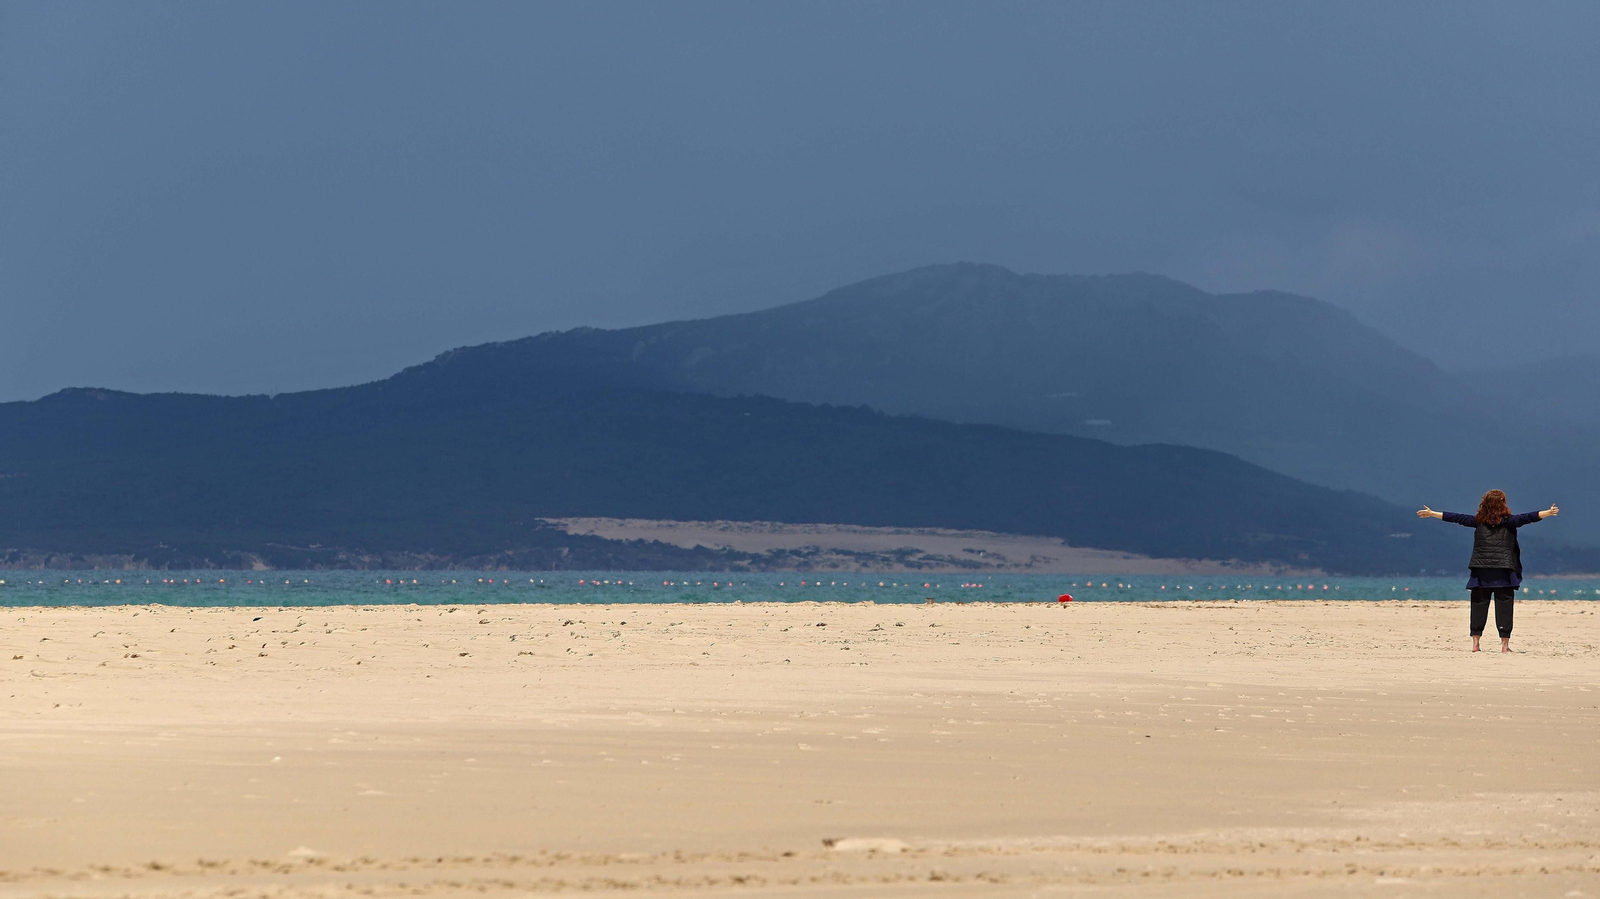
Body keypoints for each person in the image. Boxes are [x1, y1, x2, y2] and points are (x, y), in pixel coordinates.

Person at [1417, 490, 1558, 652]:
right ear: (1503, 503)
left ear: (1484, 504)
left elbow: (1456, 518)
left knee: (1479, 604)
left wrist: (1432, 513)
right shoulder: (1510, 521)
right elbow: (1529, 517)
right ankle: (1505, 646)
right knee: (1504, 606)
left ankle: (1476, 644)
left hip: (1481, 569)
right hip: (1504, 570)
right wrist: (1548, 512)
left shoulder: (1478, 521)